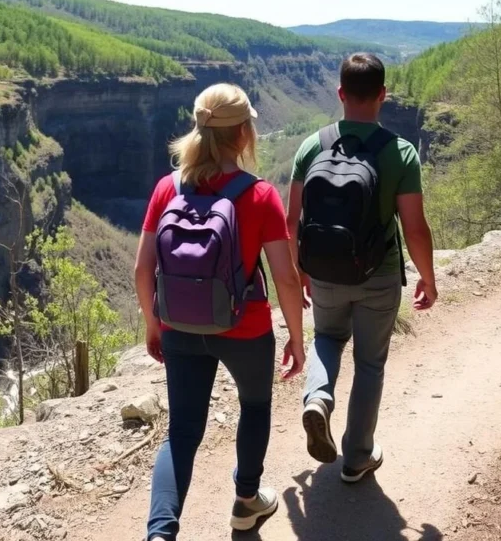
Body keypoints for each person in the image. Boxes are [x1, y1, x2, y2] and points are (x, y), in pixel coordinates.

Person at [134, 83, 306, 540]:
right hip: (245, 327)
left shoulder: (166, 189)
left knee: (182, 434)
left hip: (179, 325)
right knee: (254, 405)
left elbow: (141, 270)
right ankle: (246, 502)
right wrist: (296, 336)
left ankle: (160, 533)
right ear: (244, 133)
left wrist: (154, 324)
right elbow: (286, 277)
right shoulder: (260, 195)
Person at [286, 53, 438, 484]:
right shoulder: (400, 152)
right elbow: (414, 227)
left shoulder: (311, 145)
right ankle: (357, 456)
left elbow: (291, 217)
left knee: (327, 339)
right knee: (370, 363)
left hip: (324, 271)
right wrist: (427, 276)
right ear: (383, 96)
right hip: (379, 274)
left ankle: (317, 397)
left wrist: (300, 270)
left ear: (340, 94)